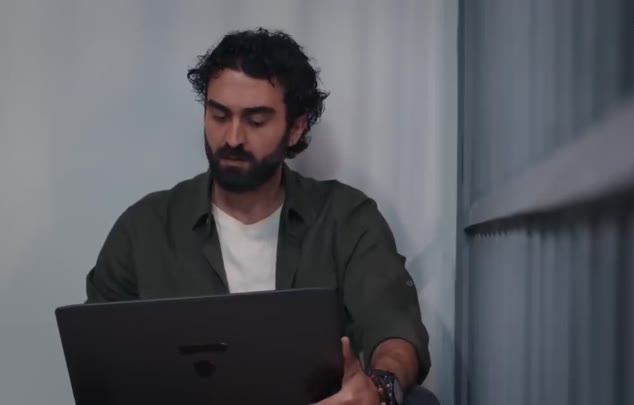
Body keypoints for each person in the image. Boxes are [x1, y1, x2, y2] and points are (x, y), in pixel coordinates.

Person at [85, 28, 438, 405]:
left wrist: (379, 387)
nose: (232, 138)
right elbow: (99, 360)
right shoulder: (144, 228)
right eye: (219, 115)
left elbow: (394, 329)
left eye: (255, 121)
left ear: (296, 128)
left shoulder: (345, 218)